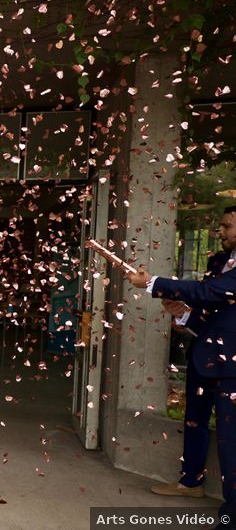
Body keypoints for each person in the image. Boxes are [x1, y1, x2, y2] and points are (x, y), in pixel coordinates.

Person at [127, 206, 236, 528]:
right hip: (204, 359)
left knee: (231, 445)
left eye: (227, 225)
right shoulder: (219, 261)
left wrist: (153, 283)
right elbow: (211, 307)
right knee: (194, 422)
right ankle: (191, 482)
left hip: (232, 369)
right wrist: (184, 315)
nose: (221, 230)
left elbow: (209, 291)